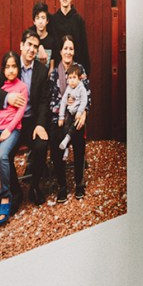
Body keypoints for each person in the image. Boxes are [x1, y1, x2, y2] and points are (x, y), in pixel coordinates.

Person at [0, 28, 51, 208]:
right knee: (5, 155)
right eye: (29, 44)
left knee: (41, 145)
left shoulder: (41, 71)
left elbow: (44, 101)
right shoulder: (11, 66)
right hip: (12, 124)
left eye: (35, 46)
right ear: (21, 45)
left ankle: (34, 186)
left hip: (31, 121)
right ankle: (15, 191)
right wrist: (7, 97)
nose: (32, 49)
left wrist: (40, 124)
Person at [0, 51, 28, 227]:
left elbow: (20, 113)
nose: (11, 70)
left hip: (12, 130)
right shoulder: (1, 88)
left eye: (14, 66)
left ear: (18, 68)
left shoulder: (22, 87)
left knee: (2, 156)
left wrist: (8, 130)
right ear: (3, 69)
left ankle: (5, 197)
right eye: (7, 67)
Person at [48, 35, 92, 204]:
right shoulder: (54, 73)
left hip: (77, 115)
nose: (68, 52)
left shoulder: (79, 70)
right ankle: (62, 185)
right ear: (60, 51)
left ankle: (79, 182)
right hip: (59, 117)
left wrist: (84, 112)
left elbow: (87, 94)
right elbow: (52, 100)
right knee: (56, 141)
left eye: (71, 49)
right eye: (65, 48)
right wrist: (64, 107)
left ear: (74, 51)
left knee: (79, 139)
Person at [50, 0, 91, 76]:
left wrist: (85, 71)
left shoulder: (78, 20)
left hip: (75, 72)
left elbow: (84, 48)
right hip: (58, 72)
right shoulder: (53, 20)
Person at [57, 63, 88, 151]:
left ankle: (67, 139)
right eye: (70, 78)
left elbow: (84, 101)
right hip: (70, 113)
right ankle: (66, 147)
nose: (72, 80)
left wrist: (80, 112)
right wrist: (61, 117)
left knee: (75, 126)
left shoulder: (81, 89)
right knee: (65, 127)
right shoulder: (68, 88)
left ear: (79, 78)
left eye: (74, 77)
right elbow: (63, 102)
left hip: (78, 113)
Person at [28, 1, 58, 72]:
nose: (40, 21)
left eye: (43, 18)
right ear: (34, 21)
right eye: (37, 18)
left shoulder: (52, 40)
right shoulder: (30, 39)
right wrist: (39, 46)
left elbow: (52, 66)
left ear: (47, 21)